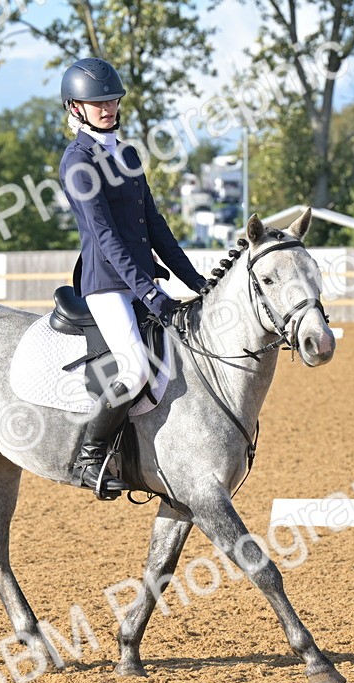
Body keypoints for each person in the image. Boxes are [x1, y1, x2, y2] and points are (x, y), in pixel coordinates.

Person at [58, 57, 208, 500]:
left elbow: (154, 224)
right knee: (135, 366)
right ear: (75, 108)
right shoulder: (77, 161)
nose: (106, 107)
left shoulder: (126, 154)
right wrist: (147, 289)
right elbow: (104, 236)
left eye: (111, 99)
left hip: (140, 280)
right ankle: (90, 457)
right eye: (95, 102)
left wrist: (195, 280)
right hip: (106, 284)